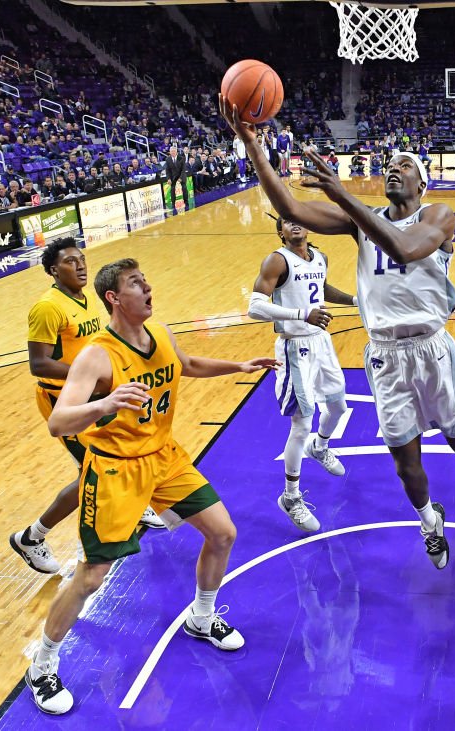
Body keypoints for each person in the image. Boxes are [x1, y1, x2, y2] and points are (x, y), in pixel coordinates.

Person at [222, 94, 455, 570]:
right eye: (389, 163)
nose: (394, 168)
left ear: (422, 182)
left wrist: (342, 193)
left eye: (404, 164)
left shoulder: (438, 216)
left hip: (431, 347)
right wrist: (252, 145)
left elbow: (406, 249)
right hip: (385, 353)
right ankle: (430, 522)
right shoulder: (360, 220)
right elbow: (289, 206)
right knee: (404, 457)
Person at [24, 258, 279, 714]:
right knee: (92, 576)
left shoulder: (160, 332)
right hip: (115, 471)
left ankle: (202, 617)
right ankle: (42, 664)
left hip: (163, 458)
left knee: (222, 533)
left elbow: (189, 364)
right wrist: (105, 401)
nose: (147, 286)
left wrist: (239, 364)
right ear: (114, 299)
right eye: (135, 283)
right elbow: (58, 423)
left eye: (145, 278)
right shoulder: (97, 355)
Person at [10, 239, 164, 575]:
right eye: (69, 261)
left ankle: (136, 505)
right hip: (62, 400)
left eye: (81, 259)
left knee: (123, 448)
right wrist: (92, 378)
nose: (80, 265)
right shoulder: (48, 307)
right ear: (53, 270)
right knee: (89, 475)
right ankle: (31, 537)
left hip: (92, 394)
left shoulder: (81, 300)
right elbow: (39, 364)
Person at [247, 216, 356, 533]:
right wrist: (301, 314)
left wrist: (353, 300)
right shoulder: (276, 261)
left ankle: (320, 447)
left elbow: (320, 288)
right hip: (295, 348)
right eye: (286, 222)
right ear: (279, 230)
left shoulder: (320, 256)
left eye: (297, 219)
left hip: (321, 342)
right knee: (301, 423)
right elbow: (255, 307)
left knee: (337, 407)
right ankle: (290, 497)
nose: (293, 224)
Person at [163, 144, 187, 213]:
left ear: (176, 152)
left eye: (174, 151)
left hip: (181, 176)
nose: (173, 153)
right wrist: (168, 179)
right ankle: (173, 203)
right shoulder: (168, 159)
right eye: (171, 152)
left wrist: (180, 178)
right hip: (173, 177)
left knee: (184, 187)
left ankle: (186, 201)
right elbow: (168, 171)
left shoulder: (181, 158)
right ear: (170, 152)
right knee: (172, 189)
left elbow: (183, 170)